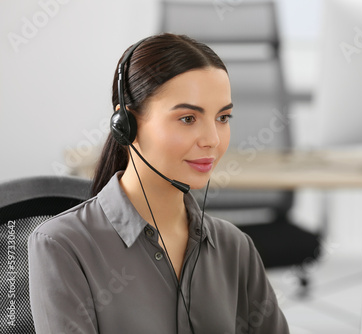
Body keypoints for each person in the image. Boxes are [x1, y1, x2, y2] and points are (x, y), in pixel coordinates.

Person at [28, 33, 290, 334]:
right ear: (126, 125)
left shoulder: (234, 247)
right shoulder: (63, 246)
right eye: (188, 119)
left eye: (223, 117)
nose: (213, 140)